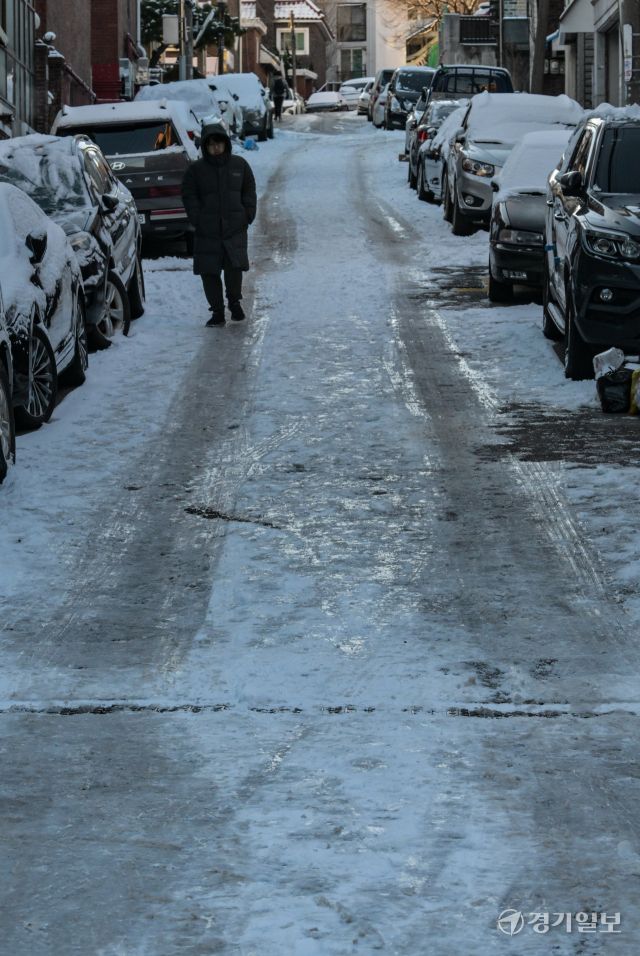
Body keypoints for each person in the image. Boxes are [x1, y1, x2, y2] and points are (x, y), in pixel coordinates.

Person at [181, 117, 257, 327]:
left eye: (219, 143)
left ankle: (235, 303)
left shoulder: (239, 165)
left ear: (225, 143)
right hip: (207, 231)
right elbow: (189, 195)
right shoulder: (196, 171)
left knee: (234, 269)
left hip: (234, 228)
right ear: (205, 147)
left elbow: (249, 190)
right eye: (211, 144)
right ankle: (217, 311)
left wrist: (247, 214)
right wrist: (197, 219)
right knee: (209, 273)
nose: (216, 148)